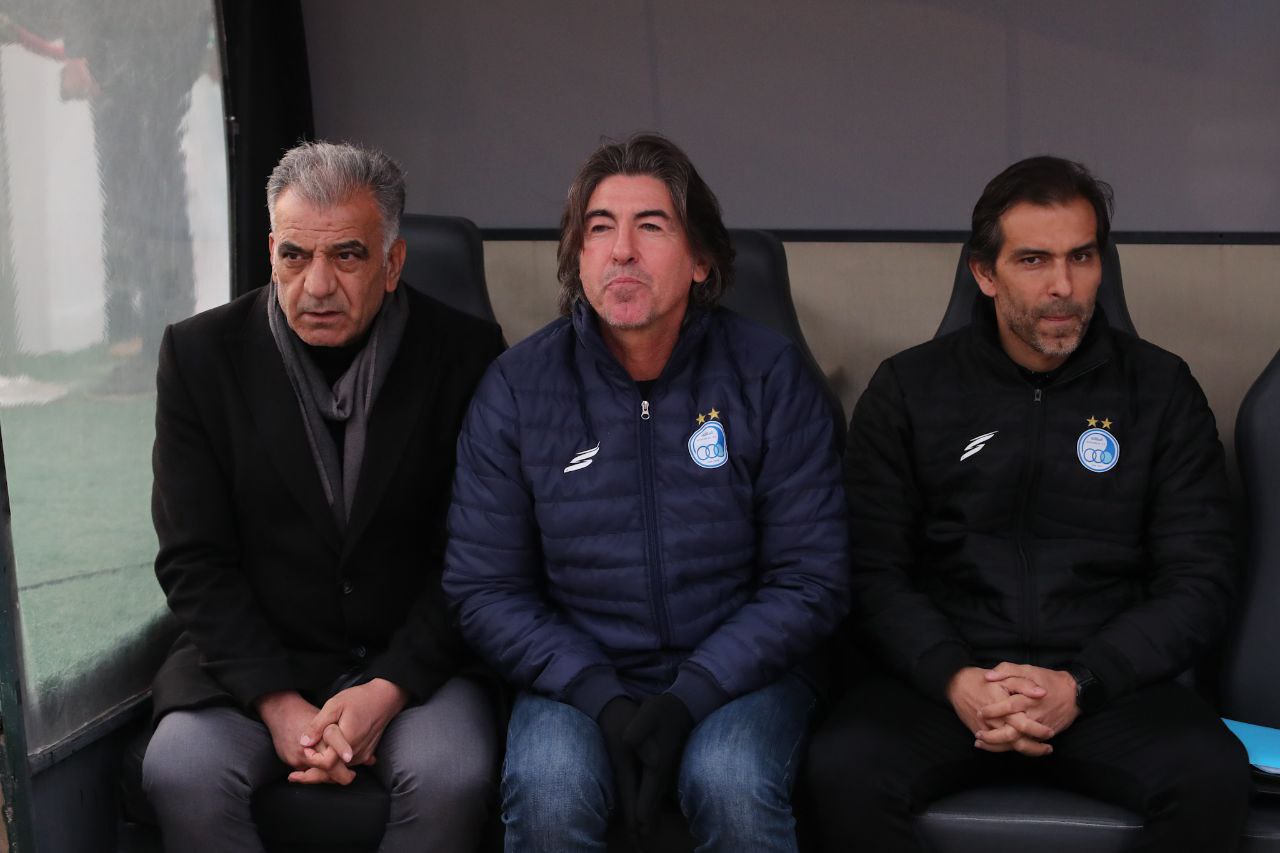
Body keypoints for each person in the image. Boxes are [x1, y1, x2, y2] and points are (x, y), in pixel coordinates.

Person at [807, 155, 1251, 851]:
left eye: (1082, 257)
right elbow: (869, 569)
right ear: (985, 273)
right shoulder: (910, 390)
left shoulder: (1161, 391)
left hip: (1106, 684)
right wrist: (955, 677)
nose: (1063, 286)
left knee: (1211, 776)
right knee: (842, 770)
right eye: (1034, 260)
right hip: (945, 684)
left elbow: (1200, 579)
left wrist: (1081, 682)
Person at [442, 132, 849, 852]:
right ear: (577, 258)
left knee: (730, 781)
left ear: (701, 260)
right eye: (600, 228)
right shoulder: (517, 388)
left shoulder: (769, 375)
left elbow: (811, 577)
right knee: (550, 788)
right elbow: (485, 587)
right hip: (576, 675)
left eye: (651, 226)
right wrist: (597, 694)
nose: (622, 251)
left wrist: (693, 693)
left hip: (744, 674)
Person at [142, 141, 505, 852]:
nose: (316, 285)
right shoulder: (198, 356)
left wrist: (389, 687)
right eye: (294, 257)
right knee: (181, 770)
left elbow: (477, 556)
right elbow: (194, 559)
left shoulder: (467, 355)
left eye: (346, 256)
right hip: (253, 660)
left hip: (415, 662)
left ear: (392, 263)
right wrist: (277, 704)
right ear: (270, 253)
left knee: (451, 774)